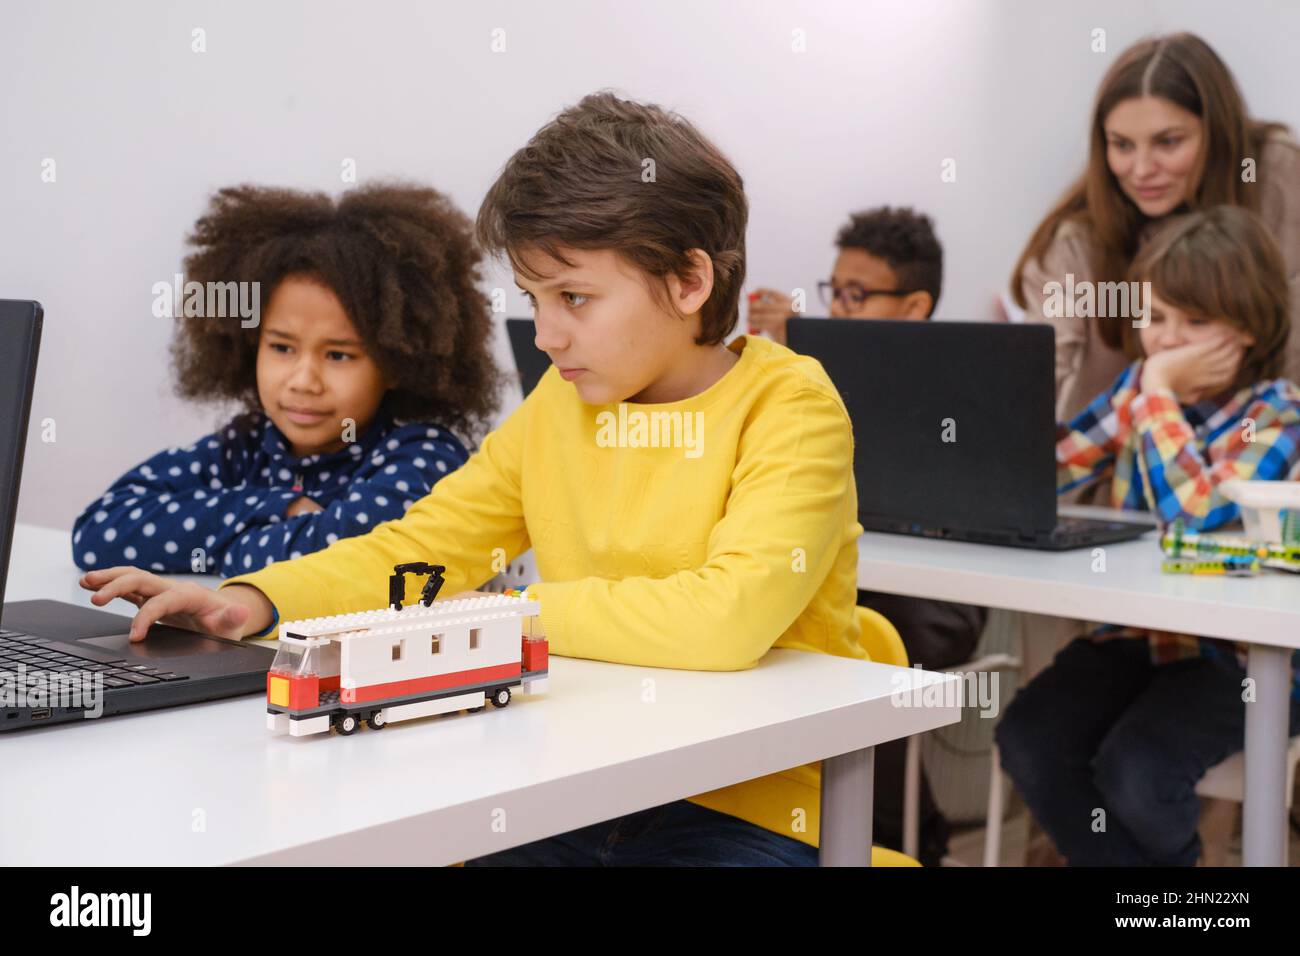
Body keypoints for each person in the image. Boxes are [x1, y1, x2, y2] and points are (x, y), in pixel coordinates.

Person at [79, 92, 896, 867]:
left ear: (688, 281)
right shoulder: (560, 408)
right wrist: (252, 599)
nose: (545, 334)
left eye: (574, 297)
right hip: (579, 782)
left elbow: (723, 621)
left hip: (746, 805)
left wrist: (500, 614)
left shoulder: (791, 408)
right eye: (535, 299)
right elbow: (420, 552)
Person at [996, 206, 1300, 866]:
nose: (1165, 340)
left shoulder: (1273, 412)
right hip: (1136, 639)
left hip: (1238, 661)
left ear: (1246, 327)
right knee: (1028, 737)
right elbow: (1047, 471)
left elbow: (1195, 514)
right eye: (1155, 317)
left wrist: (1158, 390)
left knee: (1137, 775)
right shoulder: (1139, 386)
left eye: (1194, 322)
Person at [72, 183, 501, 576]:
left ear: (394, 364)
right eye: (281, 347)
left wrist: (229, 545)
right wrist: (281, 505)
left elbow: (340, 556)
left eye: (338, 355)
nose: (303, 380)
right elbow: (98, 533)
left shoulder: (424, 456)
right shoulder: (246, 446)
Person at [1011, 31, 1300, 424]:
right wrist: (1158, 388)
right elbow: (1036, 387)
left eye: (1168, 142)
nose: (1142, 170)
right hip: (1114, 469)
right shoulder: (1078, 240)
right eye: (1122, 145)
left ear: (1217, 134)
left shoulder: (1277, 177)